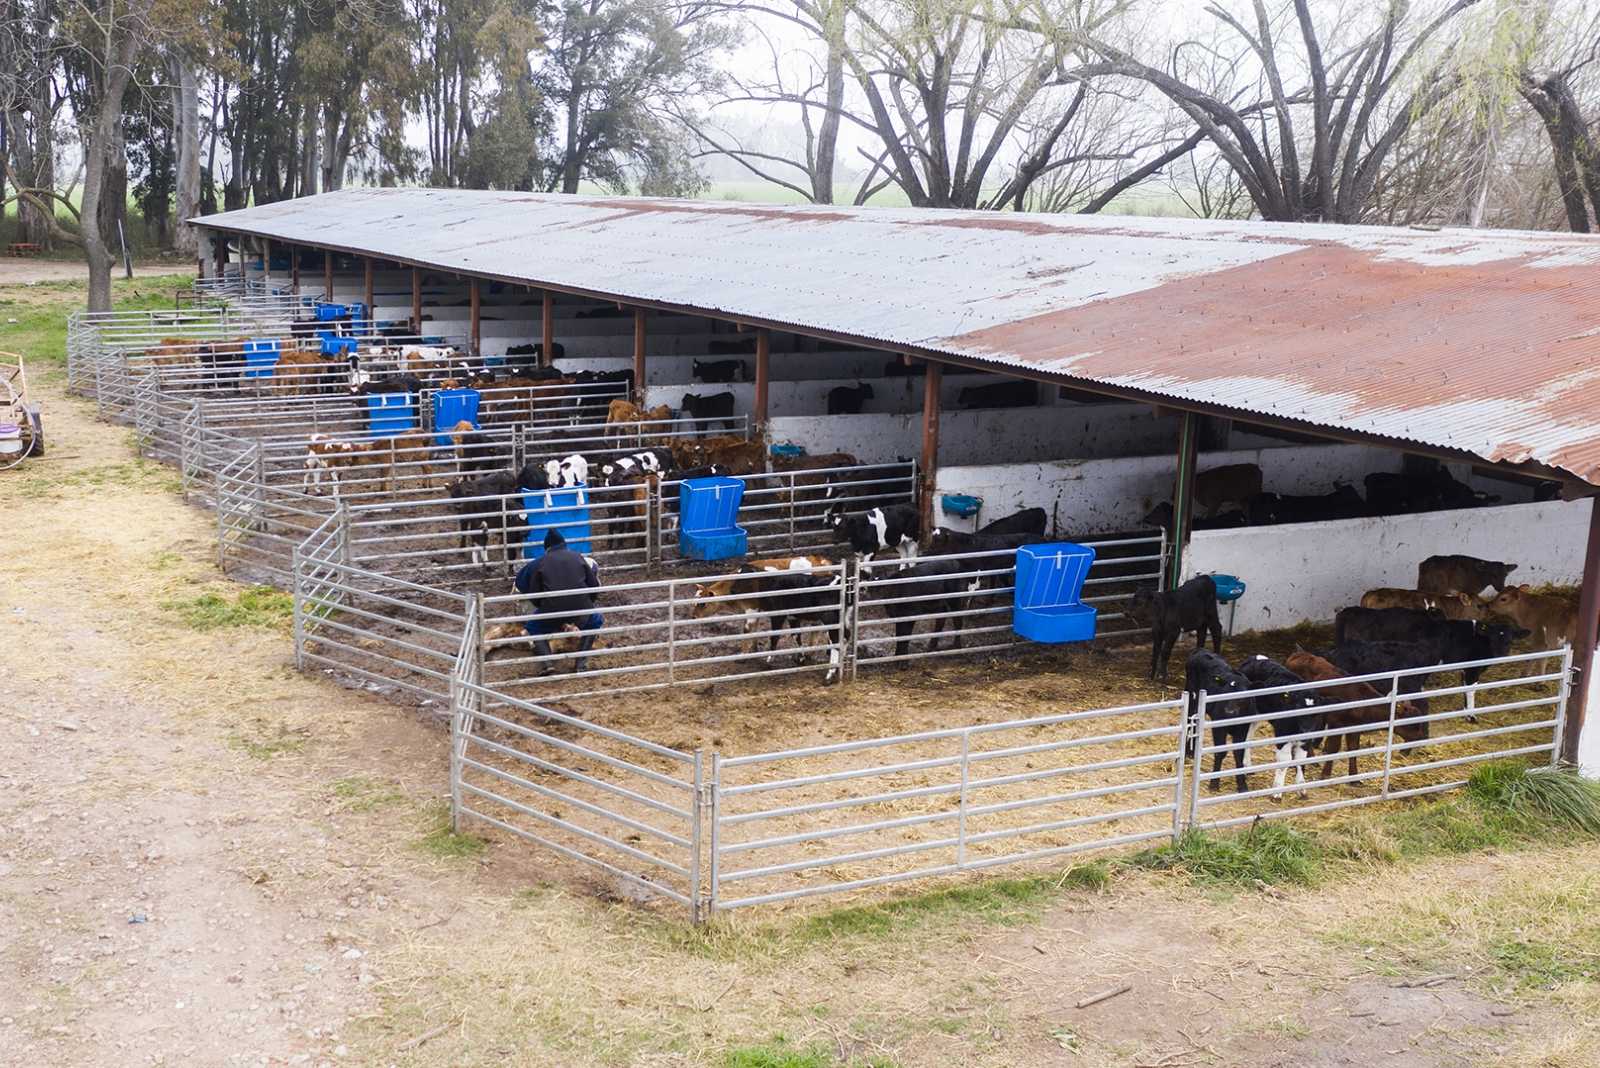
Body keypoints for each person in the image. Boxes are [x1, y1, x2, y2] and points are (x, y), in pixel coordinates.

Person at [513, 529, 602, 674]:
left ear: (547, 548)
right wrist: (587, 604)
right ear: (564, 545)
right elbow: (594, 586)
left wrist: (542, 607)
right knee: (595, 621)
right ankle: (581, 664)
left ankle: (547, 664)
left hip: (552, 609)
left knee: (533, 627)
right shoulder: (578, 557)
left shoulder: (540, 562)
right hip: (580, 608)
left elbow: (532, 591)